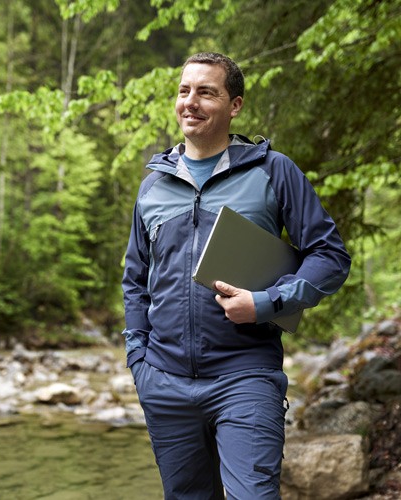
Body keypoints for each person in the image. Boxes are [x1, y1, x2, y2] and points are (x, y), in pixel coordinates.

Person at [121, 52, 352, 499]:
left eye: (206, 92)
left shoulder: (272, 171)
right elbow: (135, 279)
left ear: (235, 105)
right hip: (164, 384)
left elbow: (329, 256)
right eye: (184, 91)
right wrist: (139, 360)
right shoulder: (153, 185)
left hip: (245, 377)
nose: (191, 102)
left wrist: (266, 303)